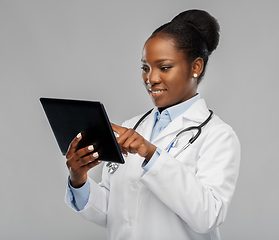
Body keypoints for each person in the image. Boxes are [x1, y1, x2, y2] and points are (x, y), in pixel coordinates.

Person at [65, 9, 240, 240]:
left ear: (195, 67)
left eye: (164, 67)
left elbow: (208, 216)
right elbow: (113, 212)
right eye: (145, 68)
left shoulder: (218, 136)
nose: (151, 78)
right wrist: (79, 180)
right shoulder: (132, 127)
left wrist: (151, 154)